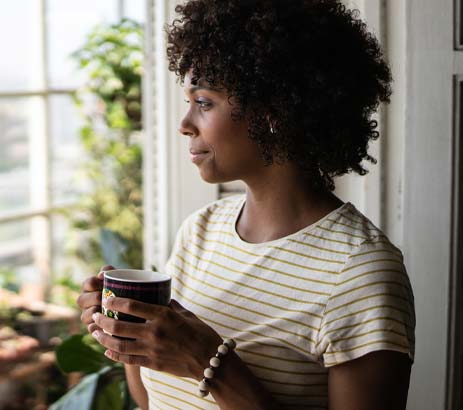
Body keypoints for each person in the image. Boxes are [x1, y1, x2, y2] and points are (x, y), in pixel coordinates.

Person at [76, 0, 415, 409]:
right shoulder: (200, 231)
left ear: (272, 111)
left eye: (203, 102)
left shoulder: (360, 272)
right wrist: (127, 331)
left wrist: (211, 364)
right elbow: (153, 401)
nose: (185, 124)